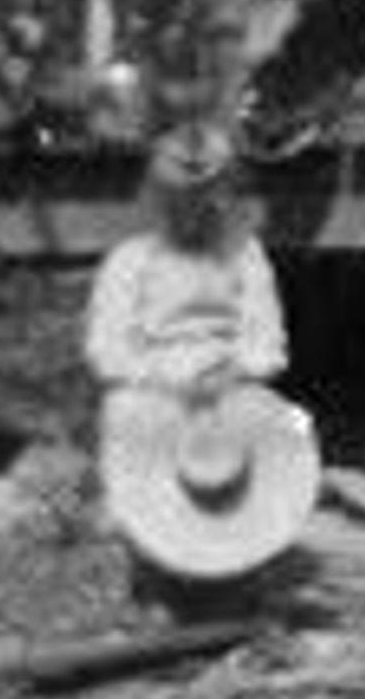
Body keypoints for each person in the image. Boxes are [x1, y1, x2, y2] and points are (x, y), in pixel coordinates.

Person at [84, 128, 319, 609]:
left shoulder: (244, 255)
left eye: (207, 197)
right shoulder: (132, 260)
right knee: (131, 415)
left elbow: (267, 341)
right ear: (159, 198)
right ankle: (157, 564)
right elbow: (107, 350)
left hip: (228, 379)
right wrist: (165, 380)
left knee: (290, 424)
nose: (195, 209)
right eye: (181, 200)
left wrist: (234, 374)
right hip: (153, 383)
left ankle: (243, 556)